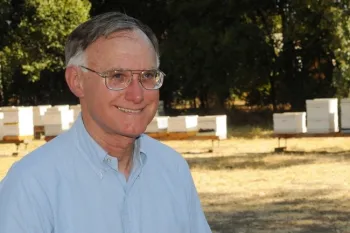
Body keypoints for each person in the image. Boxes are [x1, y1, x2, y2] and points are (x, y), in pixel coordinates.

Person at [0, 12, 212, 233]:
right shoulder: (32, 184)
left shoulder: (172, 169)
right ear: (76, 81)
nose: (137, 95)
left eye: (148, 75)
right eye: (118, 76)